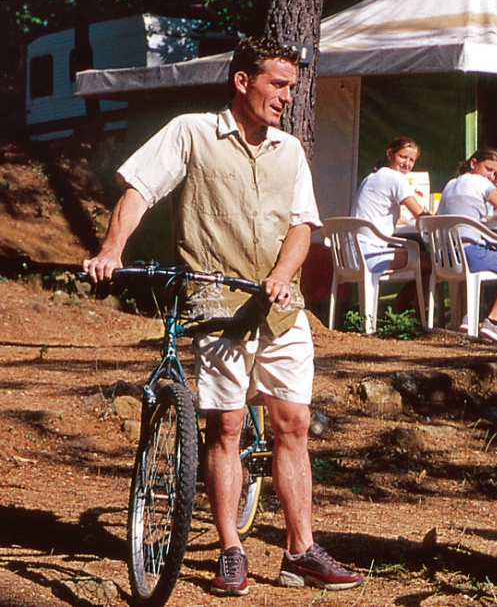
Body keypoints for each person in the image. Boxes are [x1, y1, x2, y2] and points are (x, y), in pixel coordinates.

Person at [83, 37, 361, 596]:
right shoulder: (192, 132)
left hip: (280, 310)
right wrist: (112, 249)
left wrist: (282, 274)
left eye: (291, 86)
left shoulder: (289, 150)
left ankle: (300, 551)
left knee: (294, 425)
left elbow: (302, 226)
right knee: (227, 427)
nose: (287, 96)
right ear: (242, 81)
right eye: (277, 84)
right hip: (217, 304)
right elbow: (139, 191)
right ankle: (232, 548)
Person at [436, 147, 497, 342]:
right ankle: (493, 321)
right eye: (488, 169)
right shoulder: (480, 183)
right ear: (474, 164)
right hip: (468, 255)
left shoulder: (450, 184)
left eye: (495, 173)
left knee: (485, 252)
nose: (491, 176)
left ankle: (469, 317)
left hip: (443, 257)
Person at [351, 136, 429, 272]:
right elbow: (422, 217)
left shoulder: (370, 177)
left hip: (350, 256)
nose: (407, 164)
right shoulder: (396, 177)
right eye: (403, 157)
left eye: (411, 160)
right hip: (370, 255)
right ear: (389, 154)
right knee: (432, 262)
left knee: (418, 254)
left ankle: (413, 287)